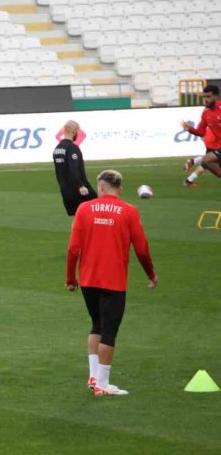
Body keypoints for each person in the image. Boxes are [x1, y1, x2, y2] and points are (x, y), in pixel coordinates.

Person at [65, 169, 157, 397]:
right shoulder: (129, 211)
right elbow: (142, 248)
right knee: (109, 332)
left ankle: (93, 377)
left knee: (96, 324)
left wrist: (70, 277)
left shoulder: (84, 209)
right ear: (120, 188)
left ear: (102, 187)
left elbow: (73, 248)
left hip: (88, 279)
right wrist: (151, 274)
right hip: (113, 281)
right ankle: (103, 385)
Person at [52, 120, 95, 216]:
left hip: (65, 191)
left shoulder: (57, 149)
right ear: (74, 131)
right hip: (79, 190)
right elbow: (73, 169)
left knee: (78, 218)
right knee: (97, 210)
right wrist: (81, 185)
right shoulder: (72, 148)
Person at [182, 84, 221, 185]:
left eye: (208, 97)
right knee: (207, 162)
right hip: (219, 146)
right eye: (204, 97)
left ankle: (189, 180)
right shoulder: (206, 112)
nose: (206, 99)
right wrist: (190, 129)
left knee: (207, 160)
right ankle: (189, 180)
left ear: (215, 96)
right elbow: (201, 132)